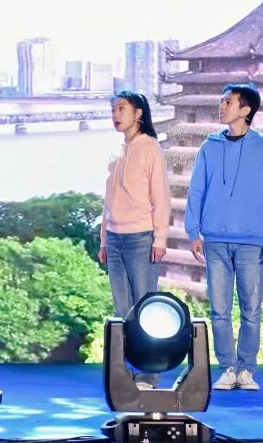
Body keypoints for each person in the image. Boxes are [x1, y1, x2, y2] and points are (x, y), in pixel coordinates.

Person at [186, 83, 263, 391]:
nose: (221, 106)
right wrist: (193, 230)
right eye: (222, 101)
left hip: (252, 242)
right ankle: (227, 369)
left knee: (251, 310)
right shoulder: (209, 146)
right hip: (214, 239)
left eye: (228, 102)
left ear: (245, 110)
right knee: (219, 311)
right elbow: (196, 189)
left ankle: (246, 370)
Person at [98, 90, 170, 389]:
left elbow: (161, 197)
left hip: (141, 238)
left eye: (122, 109)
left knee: (144, 309)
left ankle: (149, 374)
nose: (116, 115)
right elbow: (108, 200)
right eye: (114, 109)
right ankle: (128, 370)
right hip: (115, 239)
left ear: (138, 114)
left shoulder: (150, 148)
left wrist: (160, 238)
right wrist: (104, 239)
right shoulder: (117, 152)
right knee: (122, 310)